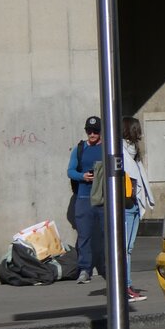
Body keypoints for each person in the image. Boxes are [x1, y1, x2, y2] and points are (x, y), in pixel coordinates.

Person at [121, 116, 156, 303]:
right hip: (125, 205)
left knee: (129, 248)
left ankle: (127, 285)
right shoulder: (119, 151)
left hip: (133, 204)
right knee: (124, 249)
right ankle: (124, 286)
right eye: (138, 129)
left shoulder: (134, 152)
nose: (140, 133)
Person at [66, 115, 103, 284]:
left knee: (107, 235)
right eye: (89, 130)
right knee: (84, 236)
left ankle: (109, 268)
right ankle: (84, 270)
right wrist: (83, 176)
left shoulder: (107, 148)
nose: (92, 134)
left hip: (104, 199)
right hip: (83, 198)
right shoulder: (80, 149)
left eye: (95, 131)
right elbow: (70, 171)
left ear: (101, 132)